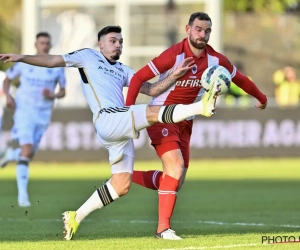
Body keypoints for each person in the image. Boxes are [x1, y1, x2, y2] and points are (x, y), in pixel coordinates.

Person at [0, 25, 220, 240]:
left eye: (121, 42)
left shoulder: (123, 70)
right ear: (101, 44)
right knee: (153, 112)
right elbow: (53, 60)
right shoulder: (88, 57)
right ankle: (200, 107)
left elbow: (152, 89)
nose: (118, 46)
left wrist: (173, 76)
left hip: (118, 126)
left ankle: (76, 216)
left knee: (121, 184)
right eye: (113, 41)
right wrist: (20, 57)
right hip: (108, 117)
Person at [125, 12, 268, 240]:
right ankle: (163, 230)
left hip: (185, 121)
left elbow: (240, 79)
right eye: (199, 29)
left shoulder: (216, 61)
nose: (203, 34)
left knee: (175, 181)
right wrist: (127, 113)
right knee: (175, 167)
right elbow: (138, 78)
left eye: (207, 31)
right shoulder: (174, 54)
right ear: (188, 29)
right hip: (161, 115)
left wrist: (261, 97)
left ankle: (124, 176)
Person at [0, 32, 66, 207]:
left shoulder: (57, 67)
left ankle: (10, 155)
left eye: (47, 43)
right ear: (35, 44)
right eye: (41, 43)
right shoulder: (25, 63)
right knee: (27, 150)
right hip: (24, 112)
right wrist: (8, 96)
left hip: (43, 115)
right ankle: (23, 197)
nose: (44, 46)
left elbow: (63, 91)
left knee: (28, 154)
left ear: (50, 46)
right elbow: (7, 79)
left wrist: (53, 94)